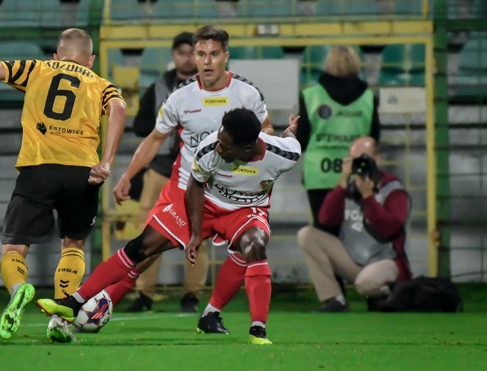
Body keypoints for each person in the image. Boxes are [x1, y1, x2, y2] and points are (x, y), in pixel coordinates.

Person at [39, 25, 273, 336]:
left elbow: (266, 133)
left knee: (248, 247)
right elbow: (154, 139)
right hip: (188, 191)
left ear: (225, 56)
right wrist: (128, 175)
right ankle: (93, 303)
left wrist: (255, 168)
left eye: (214, 54)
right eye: (201, 54)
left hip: (232, 195)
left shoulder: (247, 93)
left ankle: (210, 313)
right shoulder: (180, 96)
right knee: (143, 249)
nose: (207, 61)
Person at [38, 109, 301, 345]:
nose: (218, 148)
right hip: (205, 203)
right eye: (219, 140)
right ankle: (74, 302)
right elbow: (195, 185)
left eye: (226, 146)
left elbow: (291, 141)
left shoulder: (283, 155)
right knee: (141, 247)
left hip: (246, 211)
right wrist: (196, 234)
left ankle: (256, 329)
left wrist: (290, 130)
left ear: (247, 147)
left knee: (255, 246)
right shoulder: (210, 148)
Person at [0, 28, 126, 342]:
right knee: (73, 245)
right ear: (91, 59)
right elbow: (119, 108)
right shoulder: (100, 83)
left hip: (38, 169)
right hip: (83, 173)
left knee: (14, 248)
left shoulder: (37, 69)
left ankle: (18, 289)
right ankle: (60, 319)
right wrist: (107, 162)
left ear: (57, 56)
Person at [126, 31, 208, 314]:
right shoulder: (159, 87)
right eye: (182, 53)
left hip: (196, 173)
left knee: (198, 234)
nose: (187, 59)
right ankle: (144, 293)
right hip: (162, 171)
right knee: (148, 232)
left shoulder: (209, 87)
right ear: (174, 55)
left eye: (192, 53)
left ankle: (191, 295)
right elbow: (140, 127)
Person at [297, 136, 412, 312]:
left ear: (377, 160)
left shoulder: (392, 190)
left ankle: (389, 295)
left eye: (364, 158)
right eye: (354, 159)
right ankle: (334, 299)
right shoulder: (348, 188)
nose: (360, 164)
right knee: (307, 235)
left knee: (366, 283)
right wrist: (343, 181)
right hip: (354, 260)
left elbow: (389, 229)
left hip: (385, 260)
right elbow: (326, 219)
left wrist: (368, 197)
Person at [297, 45, 380, 235]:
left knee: (324, 235)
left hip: (319, 176)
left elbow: (301, 140)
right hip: (357, 175)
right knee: (356, 232)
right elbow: (374, 139)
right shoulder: (369, 98)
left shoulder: (311, 96)